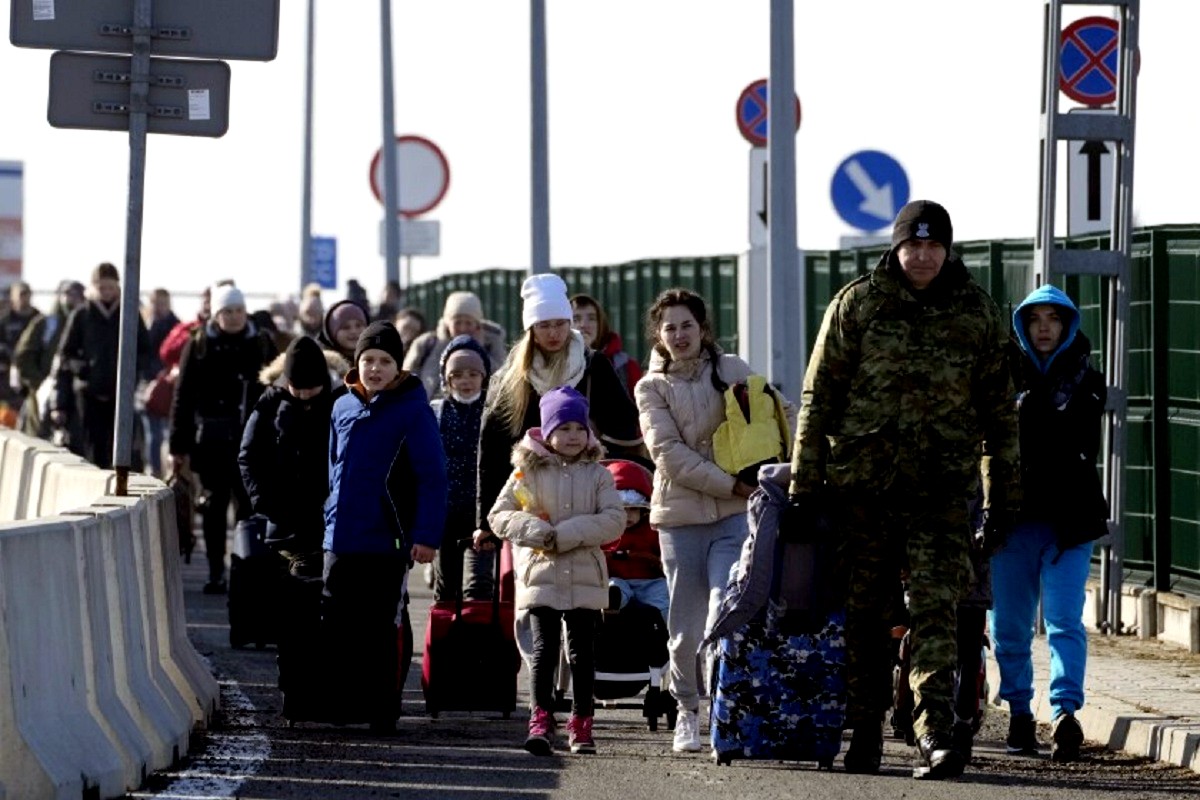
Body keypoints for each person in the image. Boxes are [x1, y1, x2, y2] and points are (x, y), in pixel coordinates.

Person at [787, 200, 1020, 779]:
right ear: (895, 248)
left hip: (941, 492)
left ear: (948, 249)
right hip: (863, 490)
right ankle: (864, 730)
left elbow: (999, 415)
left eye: (933, 246)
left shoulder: (977, 313)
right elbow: (819, 398)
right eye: (912, 246)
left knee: (938, 610)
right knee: (867, 615)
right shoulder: (857, 304)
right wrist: (803, 485)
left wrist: (1001, 499)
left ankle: (936, 733)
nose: (922, 256)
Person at [634, 287, 795, 755]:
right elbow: (669, 455)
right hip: (681, 519)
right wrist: (732, 484)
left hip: (733, 517)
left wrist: (799, 457)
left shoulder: (732, 369)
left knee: (728, 608)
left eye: (687, 325)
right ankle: (687, 709)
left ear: (703, 329)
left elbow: (779, 413)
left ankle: (728, 707)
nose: (679, 335)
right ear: (658, 336)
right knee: (684, 626)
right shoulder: (651, 387)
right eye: (670, 328)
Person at [989, 285, 1107, 764]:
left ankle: (1064, 714)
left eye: (1053, 319)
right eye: (1034, 318)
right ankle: (1019, 710)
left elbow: (1074, 443)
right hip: (1012, 522)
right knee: (1011, 627)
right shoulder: (999, 377)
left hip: (1069, 524)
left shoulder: (1087, 380)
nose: (1043, 327)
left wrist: (1028, 412)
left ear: (1067, 325)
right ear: (1021, 326)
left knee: (1063, 620)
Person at [474, 273, 643, 594]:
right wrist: (485, 522)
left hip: (585, 500)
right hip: (531, 503)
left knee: (584, 595)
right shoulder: (511, 378)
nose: (553, 333)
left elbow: (625, 430)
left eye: (560, 324)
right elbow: (491, 451)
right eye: (544, 325)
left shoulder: (593, 365)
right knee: (533, 595)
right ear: (531, 329)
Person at [485, 386, 625, 756]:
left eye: (579, 428)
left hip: (583, 573)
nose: (573, 436)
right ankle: (541, 718)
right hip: (541, 573)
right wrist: (536, 532)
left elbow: (614, 519)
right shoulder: (525, 473)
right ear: (547, 432)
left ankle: (581, 722)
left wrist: (565, 535)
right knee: (544, 649)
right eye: (564, 428)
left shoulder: (599, 475)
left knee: (582, 651)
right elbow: (499, 515)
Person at [324, 320, 447, 734]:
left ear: (398, 367)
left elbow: (432, 476)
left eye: (384, 361)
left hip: (387, 537)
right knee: (340, 621)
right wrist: (327, 518)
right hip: (340, 535)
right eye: (368, 360)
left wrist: (427, 535)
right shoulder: (341, 405)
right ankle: (349, 700)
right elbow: (333, 469)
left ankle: (383, 707)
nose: (375, 368)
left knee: (383, 625)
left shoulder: (413, 411)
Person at [169, 283, 278, 595]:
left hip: (252, 439)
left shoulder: (260, 342)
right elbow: (184, 396)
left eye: (239, 311)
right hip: (212, 441)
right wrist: (179, 445)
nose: (233, 317)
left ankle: (245, 569)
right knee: (214, 508)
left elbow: (277, 389)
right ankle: (217, 570)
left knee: (248, 508)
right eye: (227, 311)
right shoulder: (199, 344)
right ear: (216, 314)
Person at [238, 336, 336, 578]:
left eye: (311, 388)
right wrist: (263, 502)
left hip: (329, 520)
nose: (303, 395)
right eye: (297, 388)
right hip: (282, 524)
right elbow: (249, 456)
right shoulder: (270, 404)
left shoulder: (339, 402)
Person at [50, 262, 151, 468]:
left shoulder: (129, 314)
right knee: (92, 449)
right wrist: (82, 371)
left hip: (120, 396)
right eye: (101, 287)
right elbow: (65, 356)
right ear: (93, 288)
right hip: (88, 395)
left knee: (122, 449)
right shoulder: (81, 315)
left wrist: (132, 373)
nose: (106, 292)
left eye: (110, 287)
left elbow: (145, 351)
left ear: (118, 287)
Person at [429, 334, 493, 603]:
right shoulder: (436, 412)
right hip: (447, 512)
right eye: (457, 375)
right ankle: (445, 639)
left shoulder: (493, 411)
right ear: (447, 379)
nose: (466, 381)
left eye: (473, 374)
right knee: (446, 584)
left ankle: (477, 639)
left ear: (484, 377)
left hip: (483, 513)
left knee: (480, 585)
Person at [403, 291, 508, 401]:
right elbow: (406, 381)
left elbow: (501, 381)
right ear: (448, 323)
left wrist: (480, 349)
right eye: (457, 323)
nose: (463, 328)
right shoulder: (427, 344)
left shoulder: (491, 344)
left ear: (477, 324)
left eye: (468, 323)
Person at [601, 458, 669, 624]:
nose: (628, 516)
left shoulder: (651, 530)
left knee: (664, 594)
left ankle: (670, 629)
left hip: (649, 580)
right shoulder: (604, 532)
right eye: (623, 510)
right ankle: (612, 602)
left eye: (634, 510)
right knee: (613, 586)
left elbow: (662, 554)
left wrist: (660, 562)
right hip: (618, 578)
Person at [14, 279, 84, 437]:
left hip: (75, 397)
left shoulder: (85, 326)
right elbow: (23, 355)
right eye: (67, 294)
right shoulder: (46, 324)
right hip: (42, 393)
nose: (71, 299)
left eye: (76, 295)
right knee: (39, 438)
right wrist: (38, 383)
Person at [572, 294, 641, 401]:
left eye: (591, 318)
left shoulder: (626, 366)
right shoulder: (554, 363)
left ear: (601, 324)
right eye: (576, 319)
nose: (583, 325)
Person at [318, 299, 369, 366]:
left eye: (359, 325)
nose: (353, 331)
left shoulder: (378, 359)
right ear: (332, 333)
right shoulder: (321, 364)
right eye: (346, 327)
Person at [0, 280, 39, 356]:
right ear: (13, 296)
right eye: (21, 294)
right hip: (10, 361)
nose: (23, 297)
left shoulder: (38, 317)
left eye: (26, 293)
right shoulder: (6, 319)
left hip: (32, 361)